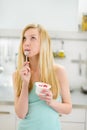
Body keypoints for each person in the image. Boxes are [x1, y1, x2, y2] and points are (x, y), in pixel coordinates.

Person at [12, 24, 72, 130]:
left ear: (43, 43)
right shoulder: (17, 75)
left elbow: (68, 108)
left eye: (33, 38)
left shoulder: (58, 71)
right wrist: (25, 83)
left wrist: (51, 102)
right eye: (24, 38)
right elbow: (21, 114)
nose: (26, 43)